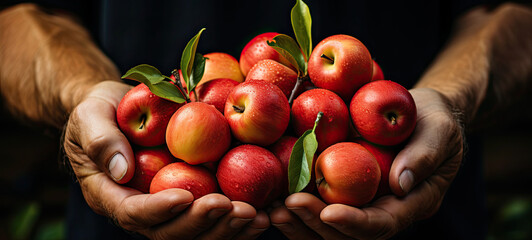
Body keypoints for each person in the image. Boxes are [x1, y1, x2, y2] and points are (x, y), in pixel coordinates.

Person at [0, 1, 531, 239]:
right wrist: (84, 95)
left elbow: (507, 13)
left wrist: (448, 99)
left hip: (401, 197)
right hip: (140, 199)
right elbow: (25, 16)